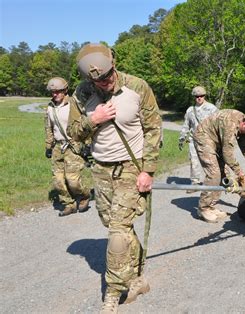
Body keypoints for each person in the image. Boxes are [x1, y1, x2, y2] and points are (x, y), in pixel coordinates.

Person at [67, 43, 162, 313]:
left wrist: (148, 170)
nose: (105, 82)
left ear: (114, 64)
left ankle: (112, 292)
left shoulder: (137, 87)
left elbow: (154, 129)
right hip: (100, 168)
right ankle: (137, 276)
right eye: (98, 80)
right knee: (115, 225)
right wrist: (93, 120)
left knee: (117, 232)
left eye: (108, 76)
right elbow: (74, 133)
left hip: (130, 167)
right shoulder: (82, 93)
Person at [193, 109, 245, 223]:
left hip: (216, 140)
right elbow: (227, 154)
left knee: (224, 175)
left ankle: (211, 206)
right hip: (204, 137)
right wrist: (239, 172)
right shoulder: (230, 124)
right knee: (214, 173)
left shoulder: (244, 126)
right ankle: (203, 208)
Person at [44, 77, 90, 217]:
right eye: (52, 92)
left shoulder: (74, 104)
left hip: (73, 145)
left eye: (58, 91)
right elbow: (48, 128)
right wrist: (48, 146)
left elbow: (86, 125)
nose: (55, 94)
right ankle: (68, 204)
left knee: (73, 180)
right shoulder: (50, 107)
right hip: (58, 147)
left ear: (65, 90)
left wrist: (87, 144)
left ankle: (83, 196)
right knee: (58, 180)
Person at [178, 86, 218, 192]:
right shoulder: (190, 110)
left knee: (209, 161)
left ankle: (211, 182)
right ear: (194, 97)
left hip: (208, 139)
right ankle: (195, 183)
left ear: (205, 96)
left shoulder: (212, 108)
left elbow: (218, 124)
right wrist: (182, 137)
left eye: (201, 96)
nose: (199, 98)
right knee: (194, 160)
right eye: (197, 96)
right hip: (193, 139)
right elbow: (186, 125)